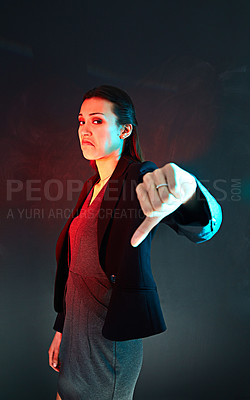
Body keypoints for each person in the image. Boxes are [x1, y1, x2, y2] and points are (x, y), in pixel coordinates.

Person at [48, 85, 222, 400]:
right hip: (74, 341)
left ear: (125, 129)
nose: (85, 129)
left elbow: (204, 227)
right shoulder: (91, 186)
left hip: (108, 349)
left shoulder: (139, 178)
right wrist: (61, 328)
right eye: (81, 121)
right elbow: (76, 270)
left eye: (97, 121)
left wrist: (191, 193)